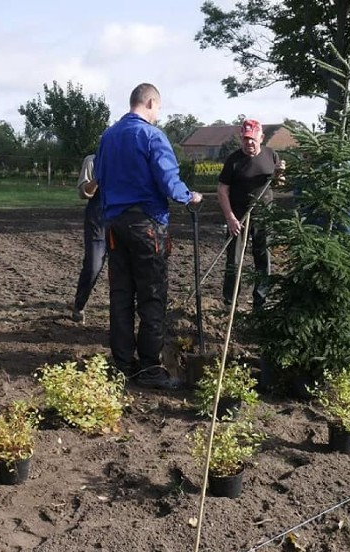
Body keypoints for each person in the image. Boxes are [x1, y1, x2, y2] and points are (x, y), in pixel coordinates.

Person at [95, 83, 203, 390]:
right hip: (146, 226)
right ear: (151, 102)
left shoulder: (108, 136)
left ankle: (122, 366)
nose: (158, 115)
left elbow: (100, 178)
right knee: (152, 296)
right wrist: (189, 196)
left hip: (114, 225)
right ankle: (150, 369)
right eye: (158, 109)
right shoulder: (152, 136)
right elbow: (169, 182)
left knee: (120, 296)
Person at [216, 119, 282, 309]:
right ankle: (230, 303)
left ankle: (260, 302)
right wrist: (230, 218)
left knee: (263, 260)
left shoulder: (271, 155)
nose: (249, 143)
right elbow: (222, 190)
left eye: (252, 139)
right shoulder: (234, 160)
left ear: (261, 138)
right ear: (241, 139)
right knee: (234, 262)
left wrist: (279, 174)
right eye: (245, 139)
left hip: (264, 217)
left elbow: (278, 183)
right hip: (238, 219)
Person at [71, 153, 106, 324]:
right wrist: (99, 178)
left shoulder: (128, 159)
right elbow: (83, 192)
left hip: (123, 221)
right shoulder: (92, 161)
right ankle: (79, 305)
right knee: (93, 267)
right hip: (98, 221)